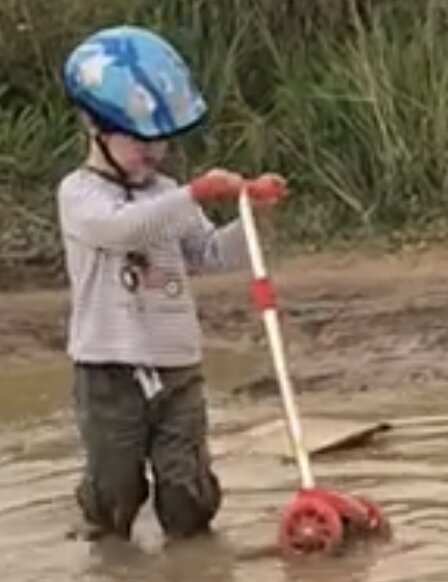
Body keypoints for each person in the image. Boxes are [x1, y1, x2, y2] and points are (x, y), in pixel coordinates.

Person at [58, 24, 284, 541]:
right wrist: (196, 193)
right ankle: (101, 534)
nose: (154, 151)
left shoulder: (166, 192)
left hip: (177, 367)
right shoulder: (79, 195)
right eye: (139, 138)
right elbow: (120, 230)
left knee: (188, 497)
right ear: (96, 126)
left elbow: (206, 254)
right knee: (116, 494)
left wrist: (255, 219)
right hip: (109, 373)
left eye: (160, 138)